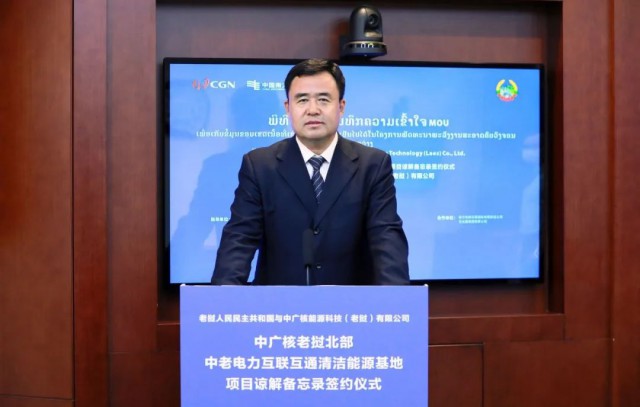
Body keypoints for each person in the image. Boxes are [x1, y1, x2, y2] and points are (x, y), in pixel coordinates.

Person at [211, 58, 409, 285]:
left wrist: (396, 297)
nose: (313, 110)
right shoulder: (260, 165)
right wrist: (222, 296)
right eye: (302, 100)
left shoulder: (373, 165)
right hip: (278, 303)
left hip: (351, 303)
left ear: (341, 106)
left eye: (323, 99)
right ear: (288, 108)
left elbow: (386, 237)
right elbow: (240, 238)